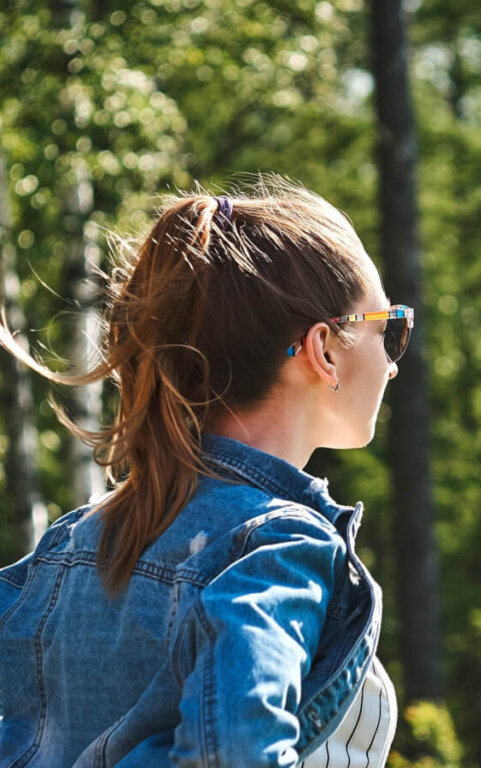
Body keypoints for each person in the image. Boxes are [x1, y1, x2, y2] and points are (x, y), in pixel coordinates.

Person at [0, 176, 414, 766]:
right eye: (388, 328)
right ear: (324, 349)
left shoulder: (69, 542)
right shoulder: (276, 544)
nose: (394, 365)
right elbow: (236, 753)